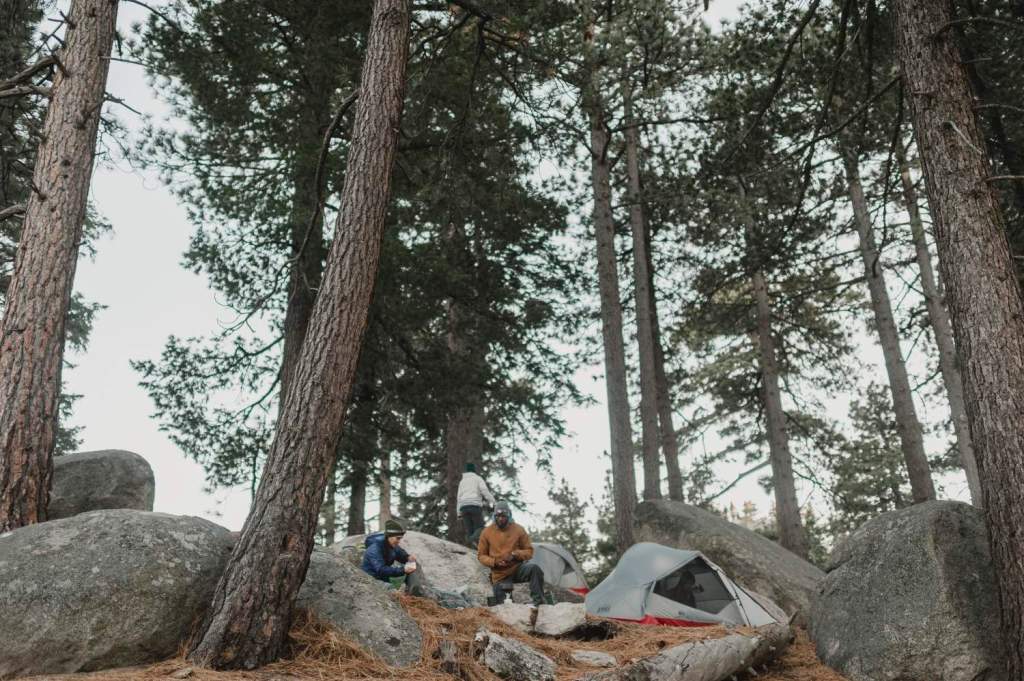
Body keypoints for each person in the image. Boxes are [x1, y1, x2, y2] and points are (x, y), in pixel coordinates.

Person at [477, 500, 545, 607]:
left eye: (503, 516)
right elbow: (481, 556)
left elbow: (529, 551)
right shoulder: (487, 532)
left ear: (509, 515)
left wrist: (515, 554)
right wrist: (494, 562)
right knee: (505, 607)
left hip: (517, 568)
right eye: (498, 516)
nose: (501, 518)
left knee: (534, 569)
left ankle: (538, 603)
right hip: (500, 574)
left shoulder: (518, 529)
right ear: (494, 516)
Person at [361, 518, 424, 595]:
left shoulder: (392, 545)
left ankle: (415, 592)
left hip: (385, 578)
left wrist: (408, 557)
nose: (399, 541)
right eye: (397, 538)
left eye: (400, 538)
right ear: (389, 536)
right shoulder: (374, 549)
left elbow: (401, 554)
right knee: (393, 591)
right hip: (371, 579)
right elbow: (381, 569)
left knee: (410, 572)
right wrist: (403, 570)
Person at [457, 462, 496, 541]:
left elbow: (459, 497)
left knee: (470, 531)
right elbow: (484, 491)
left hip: (463, 507)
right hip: (474, 506)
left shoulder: (462, 481)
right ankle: (471, 540)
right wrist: (494, 502)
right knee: (480, 528)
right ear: (474, 470)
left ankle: (472, 545)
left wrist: (458, 513)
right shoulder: (478, 478)